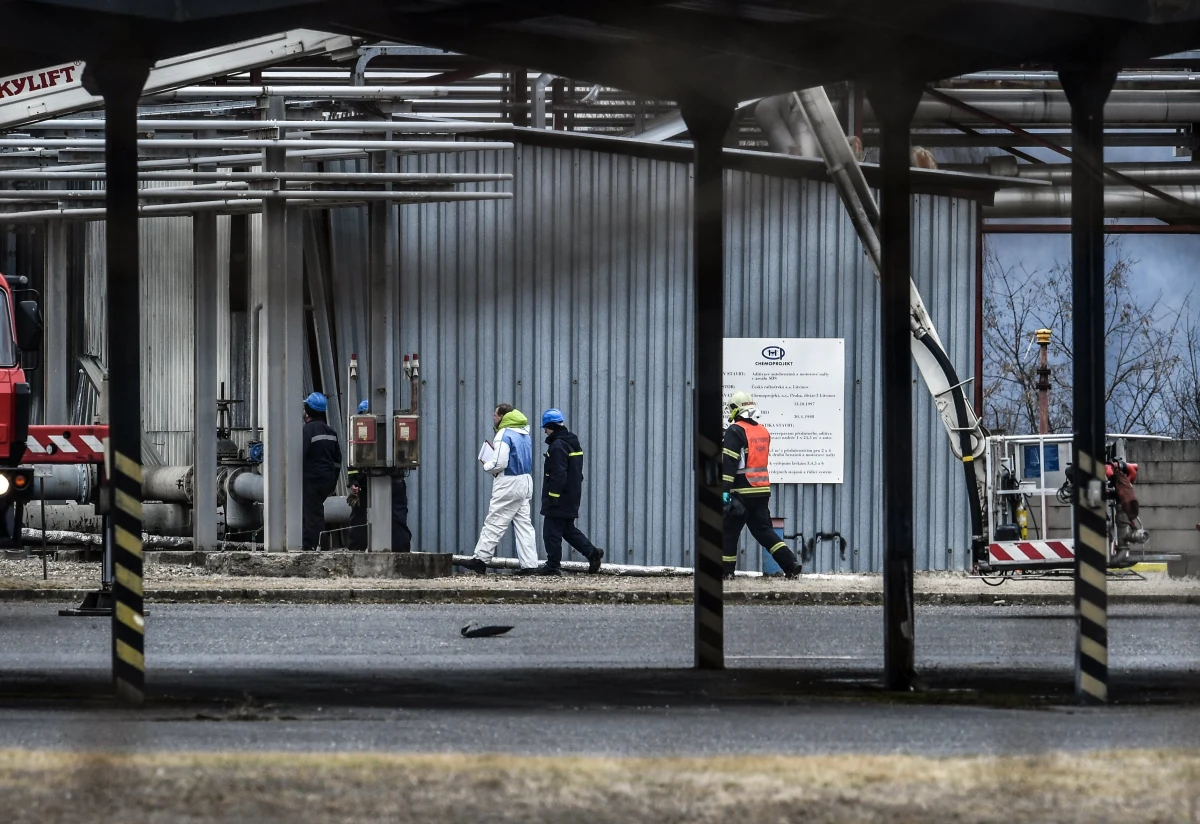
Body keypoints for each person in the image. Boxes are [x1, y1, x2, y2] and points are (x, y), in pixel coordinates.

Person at [721, 390, 801, 580]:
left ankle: (726, 573)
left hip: (741, 492)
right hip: (761, 491)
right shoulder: (762, 430)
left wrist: (724, 490)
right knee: (765, 532)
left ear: (735, 409)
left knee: (728, 531)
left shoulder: (735, 430)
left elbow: (730, 462)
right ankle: (790, 564)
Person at [456, 404, 539, 575]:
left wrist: (487, 465)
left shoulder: (504, 434)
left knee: (495, 520)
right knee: (524, 525)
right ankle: (530, 565)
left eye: (495, 415)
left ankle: (480, 559)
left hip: (508, 482)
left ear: (502, 417)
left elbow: (499, 463)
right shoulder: (524, 432)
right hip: (525, 481)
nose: (493, 418)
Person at [537, 408, 603, 575]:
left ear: (551, 426)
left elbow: (558, 473)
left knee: (551, 532)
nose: (545, 431)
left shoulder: (558, 445)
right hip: (571, 495)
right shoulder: (572, 441)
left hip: (559, 497)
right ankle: (592, 553)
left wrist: (553, 496)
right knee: (567, 530)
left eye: (546, 427)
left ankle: (552, 566)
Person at [346, 399, 413, 552]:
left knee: (361, 520)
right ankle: (401, 553)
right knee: (395, 519)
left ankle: (356, 552)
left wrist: (354, 481)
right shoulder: (392, 431)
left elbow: (353, 462)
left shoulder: (359, 432)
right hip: (391, 481)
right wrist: (354, 481)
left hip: (373, 482)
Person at [302, 391, 342, 551]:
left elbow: (300, 456)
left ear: (307, 410)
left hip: (311, 479)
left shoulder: (307, 432)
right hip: (327, 480)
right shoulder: (331, 432)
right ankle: (314, 545)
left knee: (311, 516)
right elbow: (337, 461)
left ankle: (314, 547)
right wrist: (332, 482)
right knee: (315, 511)